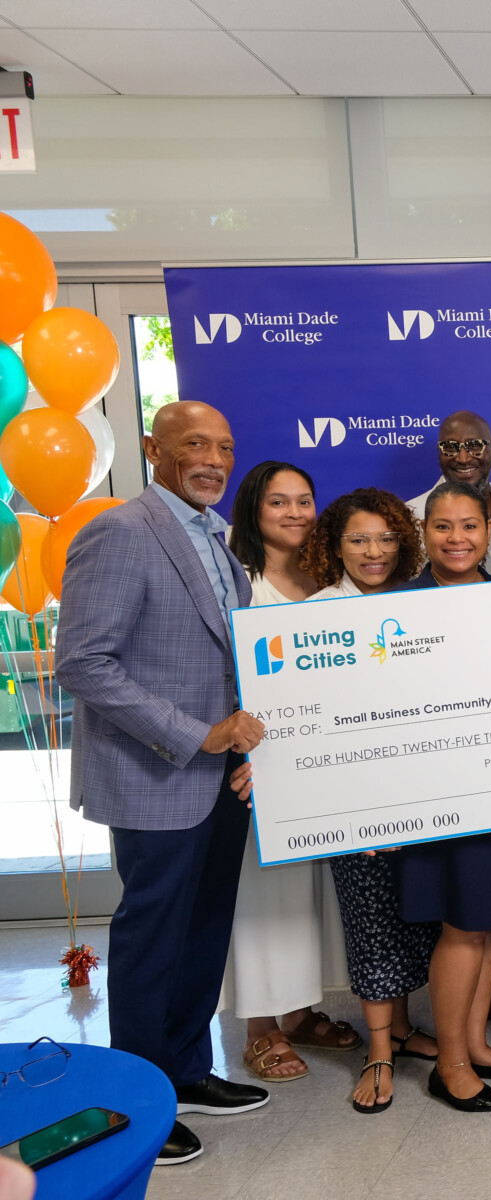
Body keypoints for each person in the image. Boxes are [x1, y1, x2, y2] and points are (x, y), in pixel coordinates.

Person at [58, 401, 268, 1166]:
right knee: (151, 940)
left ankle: (182, 1072)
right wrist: (196, 734)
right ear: (154, 449)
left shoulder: (219, 539)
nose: (213, 459)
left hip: (221, 782)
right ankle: (135, 1102)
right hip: (155, 775)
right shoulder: (119, 532)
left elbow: (227, 659)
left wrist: (241, 740)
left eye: (225, 446)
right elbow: (83, 664)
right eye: (195, 445)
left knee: (204, 928)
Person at [389, 481, 491, 1113]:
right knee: (460, 926)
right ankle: (448, 1062)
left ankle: (475, 1044)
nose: (457, 538)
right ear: (423, 533)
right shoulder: (398, 606)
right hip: (441, 795)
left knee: (486, 926)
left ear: (489, 531)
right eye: (443, 526)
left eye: (470, 526)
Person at [298, 489, 441, 1113]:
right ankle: (379, 1053)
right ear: (335, 545)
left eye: (385, 538)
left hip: (428, 792)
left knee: (416, 918)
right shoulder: (316, 613)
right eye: (358, 539)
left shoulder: (422, 601)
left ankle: (404, 1030)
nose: (373, 551)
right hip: (358, 800)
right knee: (372, 922)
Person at [222, 461, 359, 1086]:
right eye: (280, 502)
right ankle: (261, 1028)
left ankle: (300, 1013)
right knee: (265, 895)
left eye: (305, 500)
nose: (296, 513)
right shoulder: (235, 579)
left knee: (315, 895)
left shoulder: (330, 575)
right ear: (253, 509)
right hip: (262, 766)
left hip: (327, 765)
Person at [406, 410, 491, 577]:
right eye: (450, 447)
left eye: (475, 446)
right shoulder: (409, 517)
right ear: (439, 453)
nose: (463, 459)